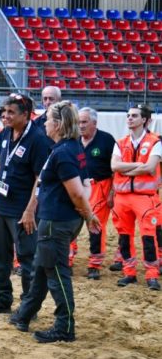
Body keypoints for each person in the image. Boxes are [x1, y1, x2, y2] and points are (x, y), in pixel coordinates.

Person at [9, 101, 101, 342]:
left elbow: (77, 192)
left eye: (48, 119)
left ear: (58, 125)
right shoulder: (71, 148)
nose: (45, 123)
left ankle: (65, 326)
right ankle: (24, 314)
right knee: (42, 267)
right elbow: (84, 187)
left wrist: (89, 215)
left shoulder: (63, 153)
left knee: (57, 274)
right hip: (61, 220)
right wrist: (86, 214)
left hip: (56, 222)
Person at [0, 94, 51, 314]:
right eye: (4, 112)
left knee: (26, 258)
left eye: (11, 112)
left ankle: (28, 304)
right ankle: (3, 298)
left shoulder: (38, 139)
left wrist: (30, 210)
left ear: (25, 115)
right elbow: (4, 160)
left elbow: (40, 178)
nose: (5, 116)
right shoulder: (6, 132)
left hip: (23, 209)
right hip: (1, 205)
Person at [110, 104, 161, 290]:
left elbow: (150, 168)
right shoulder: (120, 142)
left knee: (149, 238)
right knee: (124, 237)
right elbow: (114, 167)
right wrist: (138, 166)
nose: (129, 118)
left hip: (145, 198)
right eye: (128, 115)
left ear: (145, 120)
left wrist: (127, 168)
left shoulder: (156, 141)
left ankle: (152, 275)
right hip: (122, 198)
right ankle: (129, 272)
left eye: (134, 116)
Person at [77, 107, 116, 279]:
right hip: (77, 188)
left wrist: (112, 192)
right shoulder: (74, 140)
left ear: (94, 123)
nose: (81, 125)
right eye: (78, 122)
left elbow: (115, 169)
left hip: (100, 188)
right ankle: (67, 260)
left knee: (96, 226)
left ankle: (94, 264)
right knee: (70, 223)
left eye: (84, 122)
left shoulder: (106, 140)